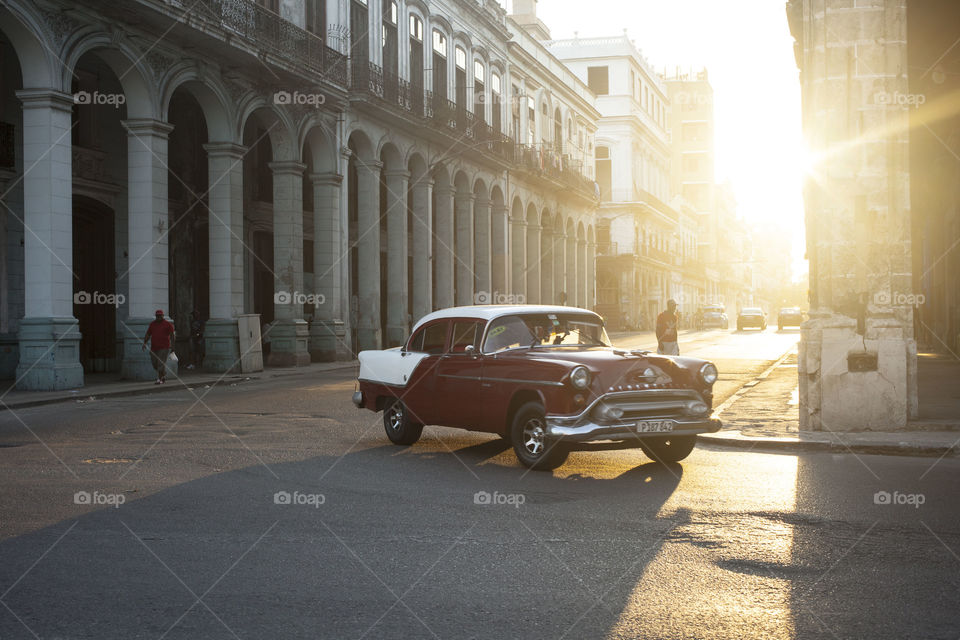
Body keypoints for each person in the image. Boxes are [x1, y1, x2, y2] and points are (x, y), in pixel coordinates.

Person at [142, 309, 175, 384]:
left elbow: (172, 336)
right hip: (154, 347)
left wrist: (173, 347)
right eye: (157, 316)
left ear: (163, 316)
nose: (159, 317)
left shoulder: (168, 324)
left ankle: (159, 379)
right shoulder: (152, 324)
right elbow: (148, 334)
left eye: (160, 316)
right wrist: (144, 343)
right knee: (154, 364)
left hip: (164, 347)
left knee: (160, 363)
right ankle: (163, 374)